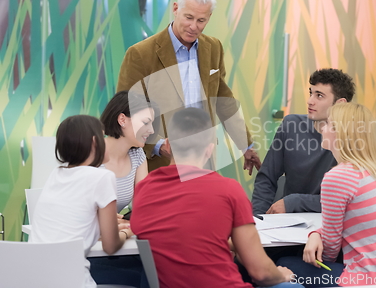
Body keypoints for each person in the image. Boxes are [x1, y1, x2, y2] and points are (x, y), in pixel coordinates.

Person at [131, 108, 302, 288]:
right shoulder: (229, 190)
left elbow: (177, 235)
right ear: (210, 150)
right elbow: (261, 273)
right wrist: (281, 274)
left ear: (167, 144)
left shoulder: (144, 189)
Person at [117, 0, 260, 173]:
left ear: (209, 17)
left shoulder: (214, 48)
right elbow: (126, 111)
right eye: (188, 17)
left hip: (204, 163)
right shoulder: (140, 54)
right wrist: (158, 145)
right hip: (159, 166)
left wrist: (246, 146)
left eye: (201, 20)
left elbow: (224, 101)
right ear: (176, 9)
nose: (193, 26)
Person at [277, 103, 376, 287]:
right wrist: (316, 234)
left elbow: (330, 251)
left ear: (341, 133)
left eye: (329, 124)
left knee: (283, 263)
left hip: (371, 279)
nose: (322, 128)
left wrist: (316, 238)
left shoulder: (339, 176)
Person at [29, 115, 133, 288]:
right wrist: (127, 232)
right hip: (72, 282)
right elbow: (110, 246)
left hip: (33, 279)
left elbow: (68, 224)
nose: (106, 142)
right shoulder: (103, 177)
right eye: (104, 137)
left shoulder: (56, 174)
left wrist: (99, 229)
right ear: (94, 142)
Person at [252, 69, 355, 215]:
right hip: (288, 222)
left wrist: (295, 201)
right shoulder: (291, 125)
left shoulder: (353, 139)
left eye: (319, 96)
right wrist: (258, 221)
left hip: (330, 220)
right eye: (311, 93)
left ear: (340, 104)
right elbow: (266, 179)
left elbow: (347, 199)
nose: (310, 101)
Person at [99, 90, 159, 213]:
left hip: (114, 230)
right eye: (146, 122)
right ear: (122, 120)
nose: (152, 130)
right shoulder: (90, 152)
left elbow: (142, 204)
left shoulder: (137, 156)